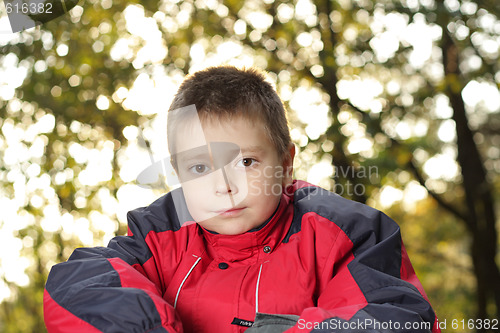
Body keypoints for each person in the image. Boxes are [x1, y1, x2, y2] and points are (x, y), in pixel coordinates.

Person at [44, 66, 440, 333]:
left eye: (246, 161)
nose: (224, 186)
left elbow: (397, 315)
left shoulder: (345, 232)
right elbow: (78, 286)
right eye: (200, 169)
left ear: (285, 165)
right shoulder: (157, 237)